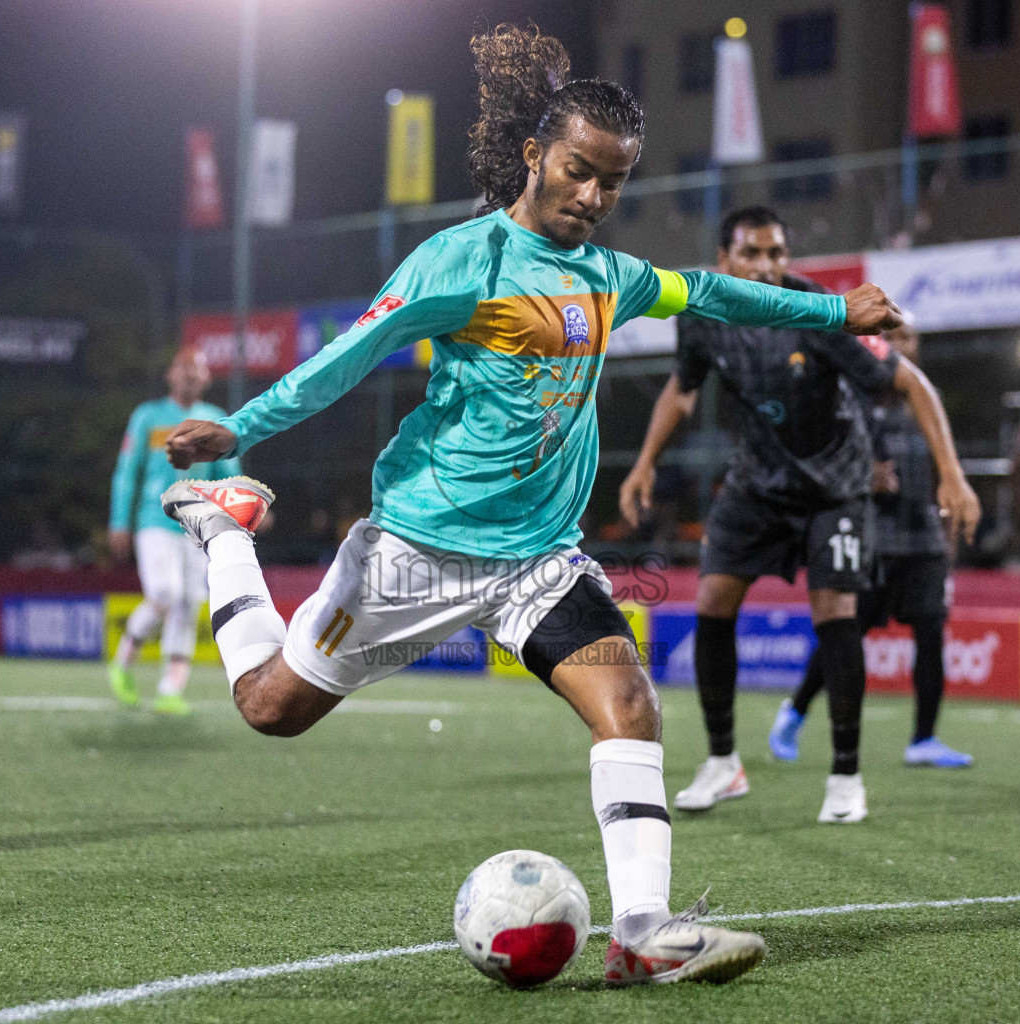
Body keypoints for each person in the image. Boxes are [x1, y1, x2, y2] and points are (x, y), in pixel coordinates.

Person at [158, 25, 909, 986]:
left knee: (630, 708)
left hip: (539, 563)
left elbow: (718, 294)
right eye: (577, 171)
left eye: (612, 181)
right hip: (413, 551)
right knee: (269, 708)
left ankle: (643, 934)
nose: (592, 197)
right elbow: (349, 356)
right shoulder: (461, 264)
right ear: (533, 157)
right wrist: (243, 427)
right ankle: (224, 528)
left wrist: (835, 310)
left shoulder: (613, 277)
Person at [619, 209, 978, 824]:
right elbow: (682, 389)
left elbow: (913, 383)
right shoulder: (703, 311)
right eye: (753, 254)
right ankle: (723, 763)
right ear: (725, 259)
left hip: (836, 485)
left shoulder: (819, 311)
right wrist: (644, 461)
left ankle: (845, 777)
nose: (767, 267)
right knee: (712, 601)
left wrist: (953, 473)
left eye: (777, 254)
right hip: (757, 480)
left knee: (836, 613)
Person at [772, 316, 974, 769]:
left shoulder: (928, 406)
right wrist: (865, 478)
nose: (901, 344)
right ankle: (796, 710)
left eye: (909, 337)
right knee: (843, 637)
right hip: (868, 537)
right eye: (893, 338)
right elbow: (816, 466)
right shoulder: (852, 400)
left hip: (924, 541)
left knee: (930, 635)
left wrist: (949, 546)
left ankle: (923, 739)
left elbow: (948, 477)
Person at [106, 351, 240, 715]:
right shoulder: (148, 417)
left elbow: (228, 476)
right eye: (182, 369)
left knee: (188, 603)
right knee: (165, 594)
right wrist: (119, 522)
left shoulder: (214, 421)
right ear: (169, 375)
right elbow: (125, 472)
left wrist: (242, 508)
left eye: (196, 370)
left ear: (207, 377)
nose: (189, 376)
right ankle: (123, 663)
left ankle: (170, 690)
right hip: (153, 521)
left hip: (197, 526)